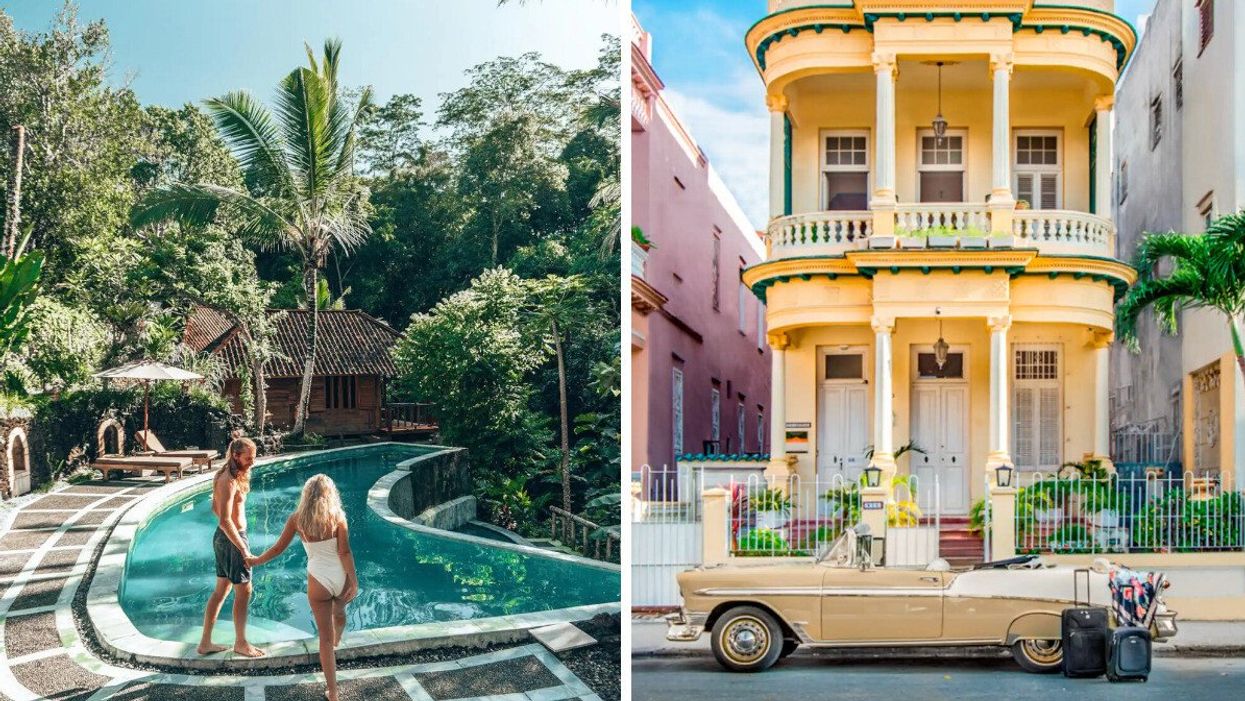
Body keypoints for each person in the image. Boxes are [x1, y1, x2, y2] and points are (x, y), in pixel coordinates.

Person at [249, 474, 358, 701]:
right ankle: (338, 638)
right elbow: (345, 552)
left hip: (318, 580)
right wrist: (354, 581)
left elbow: (278, 549)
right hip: (341, 577)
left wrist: (256, 560)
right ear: (331, 494)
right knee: (339, 613)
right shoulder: (338, 516)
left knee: (324, 639)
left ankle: (333, 693)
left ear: (306, 495)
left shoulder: (297, 519)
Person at [198, 436, 264, 657]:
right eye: (248, 458)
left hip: (227, 539)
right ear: (236, 456)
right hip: (232, 540)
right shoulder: (227, 480)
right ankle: (241, 643)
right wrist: (243, 549)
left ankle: (205, 643)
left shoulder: (230, 476)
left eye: (253, 458)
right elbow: (224, 520)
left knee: (221, 590)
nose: (252, 462)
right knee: (244, 591)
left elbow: (214, 508)